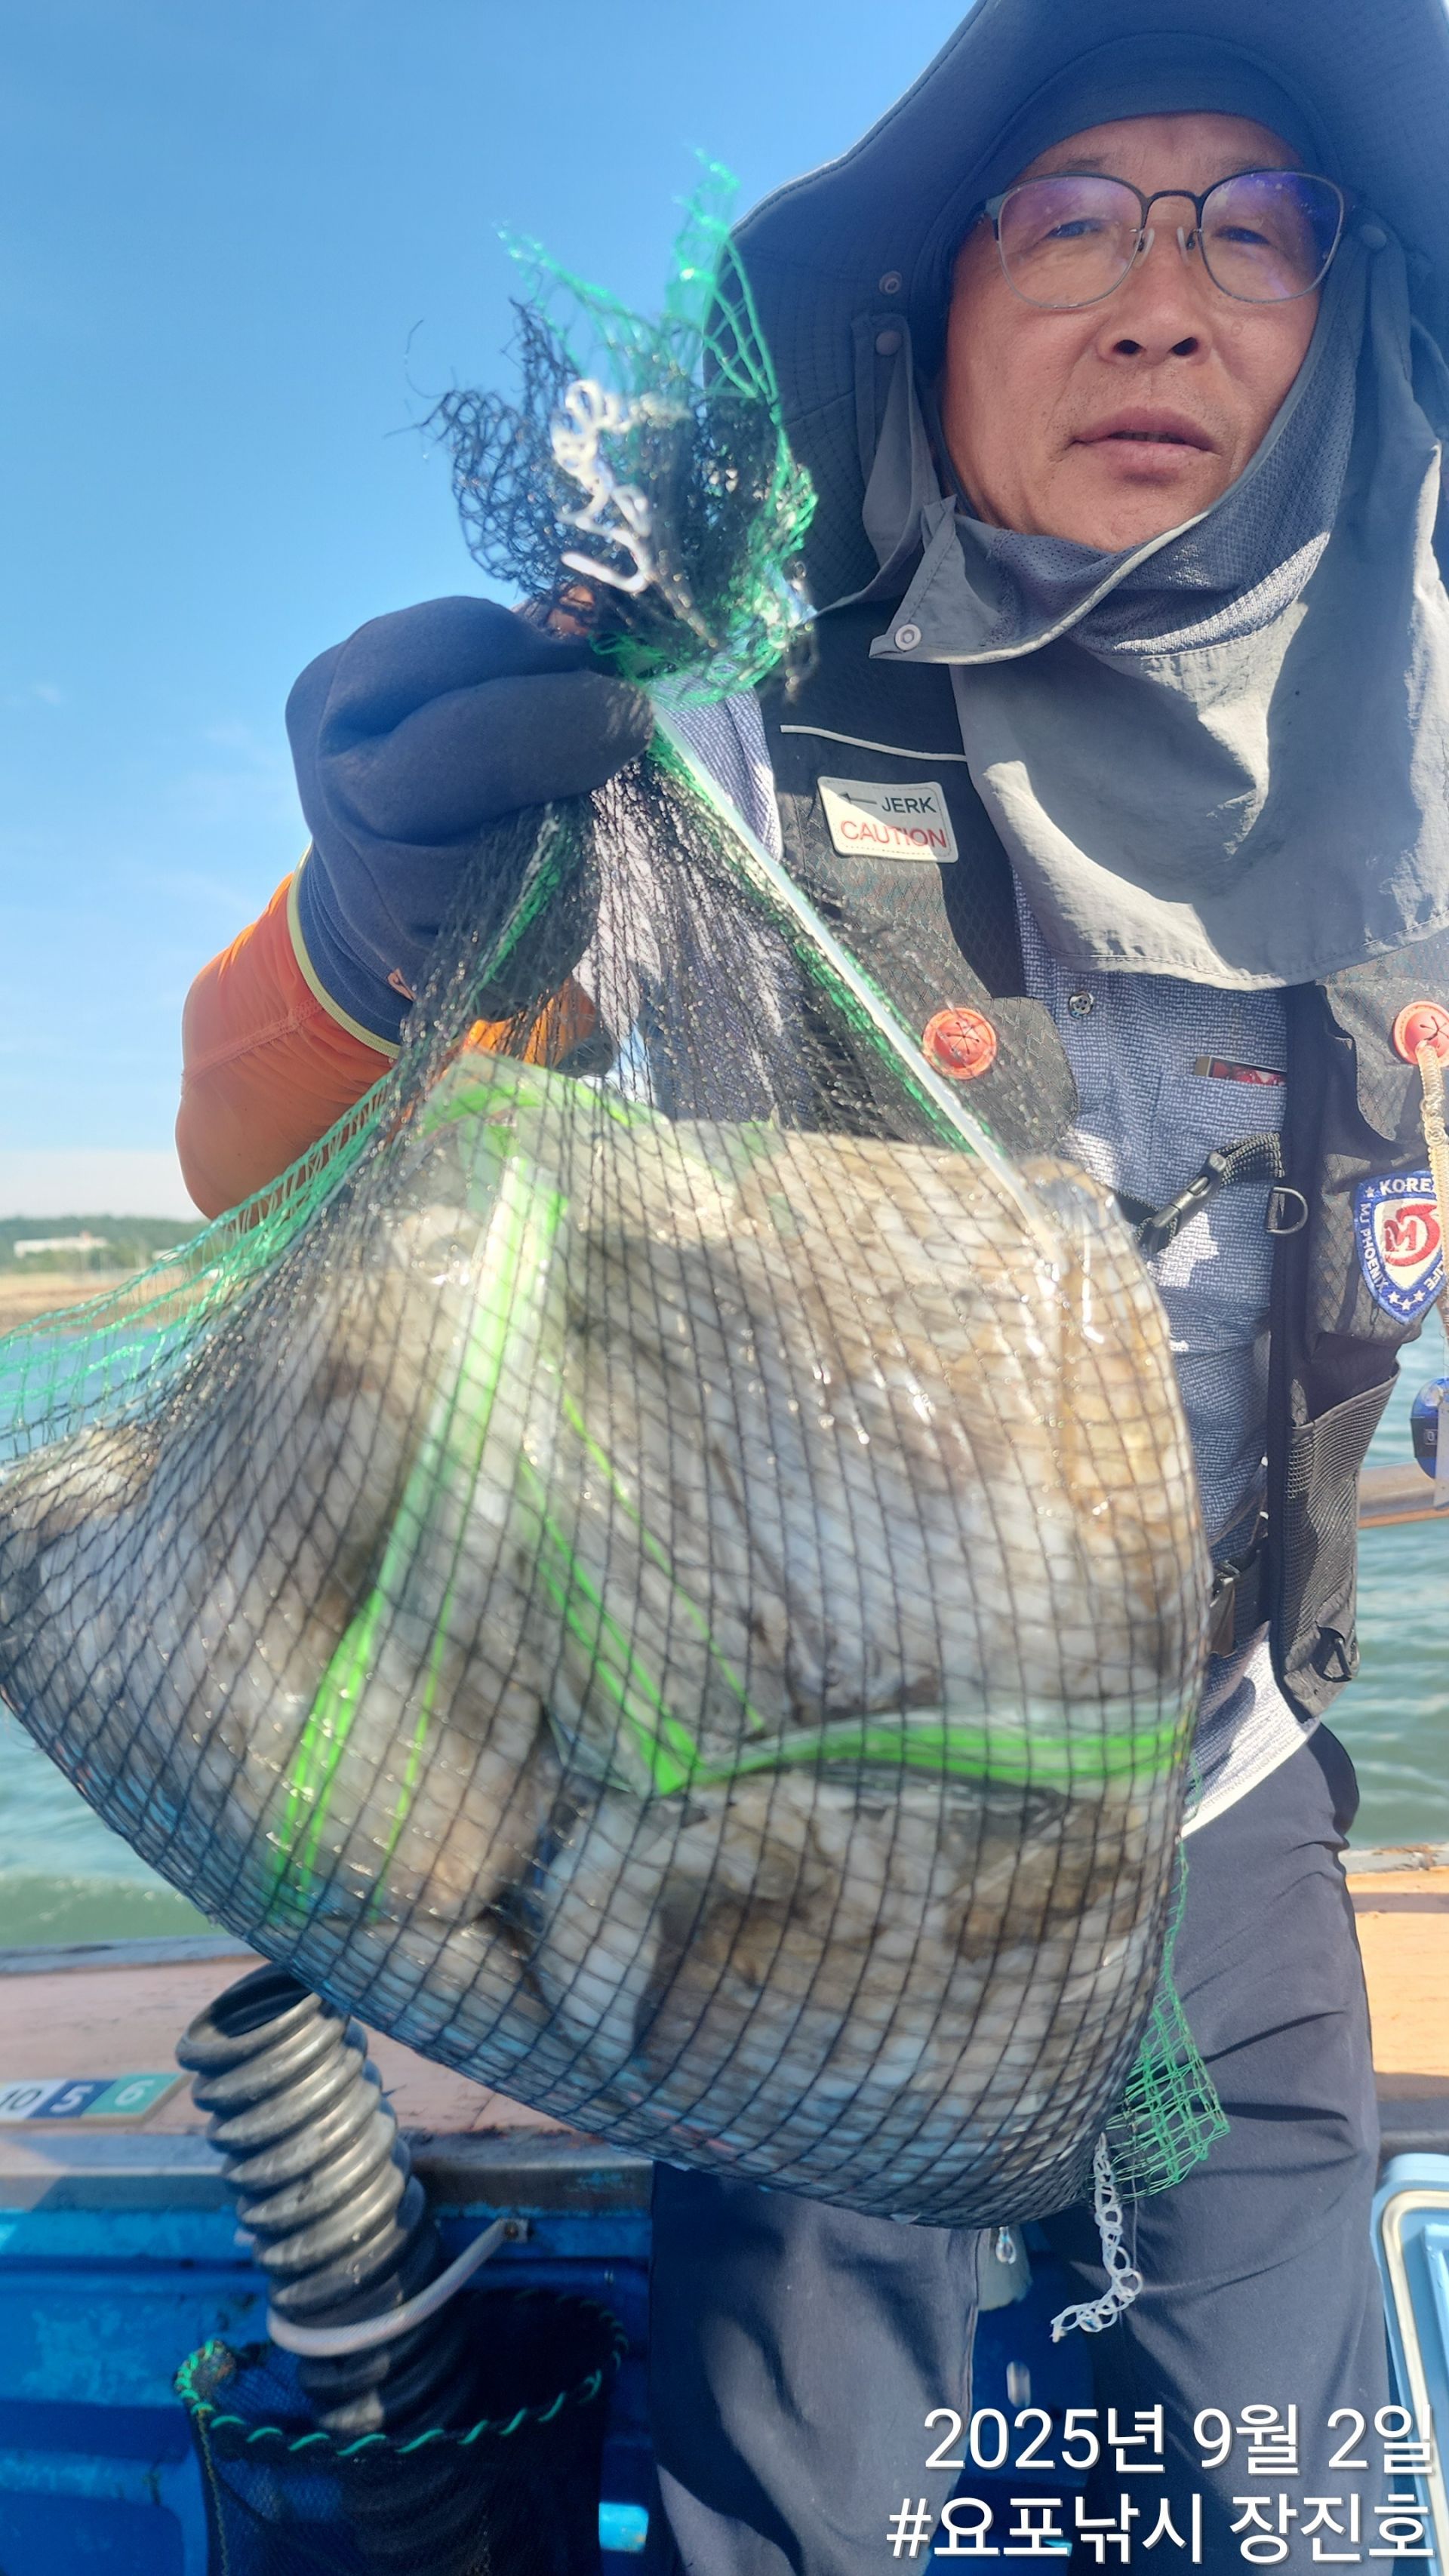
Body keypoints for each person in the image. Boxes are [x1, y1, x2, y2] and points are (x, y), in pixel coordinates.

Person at [177, 3, 1449, 2565]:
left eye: (1256, 228)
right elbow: (240, 1160)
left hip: (1223, 1808)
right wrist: (387, 902)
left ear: (1347, 329)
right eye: (1073, 221)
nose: (1164, 298)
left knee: (1298, 2506)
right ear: (926, 314)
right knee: (792, 2514)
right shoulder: (722, 731)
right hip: (794, 1845)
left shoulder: (1421, 752)